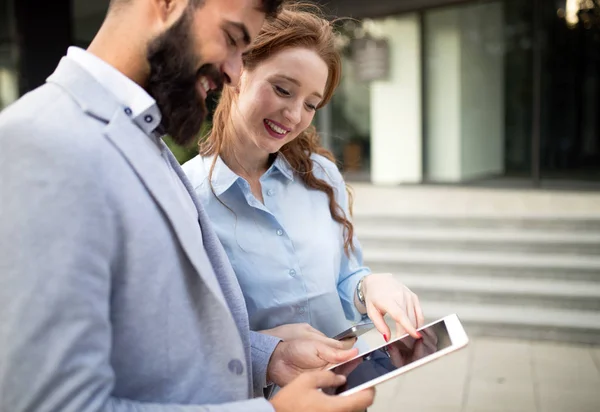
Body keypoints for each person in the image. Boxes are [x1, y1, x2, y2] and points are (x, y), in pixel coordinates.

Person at [0, 1, 375, 411]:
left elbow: (160, 339)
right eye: (232, 39)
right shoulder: (39, 143)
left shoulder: (149, 146)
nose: (233, 71)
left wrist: (269, 357)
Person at [182, 2, 425, 353]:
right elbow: (190, 337)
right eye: (282, 89)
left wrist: (369, 287)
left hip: (342, 388)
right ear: (238, 72)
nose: (294, 115)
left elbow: (345, 275)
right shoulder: (187, 196)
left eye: (311, 104)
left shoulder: (320, 175)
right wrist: (269, 349)